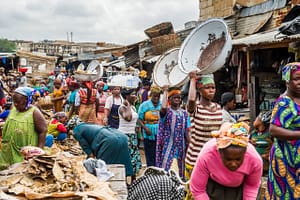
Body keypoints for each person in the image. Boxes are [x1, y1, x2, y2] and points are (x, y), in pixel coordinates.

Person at [190, 122, 263, 200]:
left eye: (238, 159)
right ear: (220, 153)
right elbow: (198, 190)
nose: (233, 164)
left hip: (240, 188)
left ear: (245, 153)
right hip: (214, 187)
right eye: (228, 159)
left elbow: (251, 186)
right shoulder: (207, 155)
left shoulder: (254, 160)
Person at [265, 62, 300, 199]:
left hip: (296, 157)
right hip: (285, 157)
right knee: (286, 192)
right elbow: (273, 130)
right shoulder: (284, 102)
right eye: (296, 78)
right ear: (287, 80)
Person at [185, 72, 223, 188]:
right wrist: (192, 79)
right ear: (200, 90)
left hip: (213, 159)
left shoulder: (218, 108)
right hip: (195, 158)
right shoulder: (196, 108)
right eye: (207, 88)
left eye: (213, 87)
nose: (211, 90)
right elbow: (191, 100)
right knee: (195, 193)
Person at [0, 87, 47, 170]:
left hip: (24, 153)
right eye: (14, 102)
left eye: (18, 102)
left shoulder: (34, 112)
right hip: (8, 150)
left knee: (19, 171)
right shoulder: (13, 109)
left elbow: (43, 131)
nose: (16, 104)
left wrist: (38, 152)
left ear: (26, 100)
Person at [156, 86, 190, 180]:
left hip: (181, 147)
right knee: (168, 170)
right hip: (168, 147)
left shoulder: (184, 113)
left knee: (180, 172)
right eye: (174, 97)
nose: (177, 99)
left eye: (178, 98)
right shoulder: (167, 112)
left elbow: (187, 131)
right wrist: (165, 91)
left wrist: (190, 144)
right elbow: (163, 107)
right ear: (169, 100)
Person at [118, 88, 141, 180]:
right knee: (126, 158)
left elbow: (134, 120)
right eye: (133, 94)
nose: (135, 96)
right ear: (127, 96)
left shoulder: (133, 107)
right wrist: (127, 105)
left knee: (134, 159)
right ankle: (123, 181)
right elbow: (128, 118)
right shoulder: (122, 107)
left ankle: (133, 181)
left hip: (132, 135)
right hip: (124, 136)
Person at [137, 86, 162, 167]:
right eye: (154, 96)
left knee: (158, 153)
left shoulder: (161, 105)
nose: (156, 98)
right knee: (149, 152)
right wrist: (145, 128)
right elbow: (139, 119)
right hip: (148, 132)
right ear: (151, 95)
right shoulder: (144, 105)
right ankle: (150, 169)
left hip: (159, 132)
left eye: (158, 96)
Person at [249, 110, 272, 176]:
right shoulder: (253, 133)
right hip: (254, 165)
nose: (255, 120)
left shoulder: (270, 134)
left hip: (265, 166)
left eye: (257, 118)